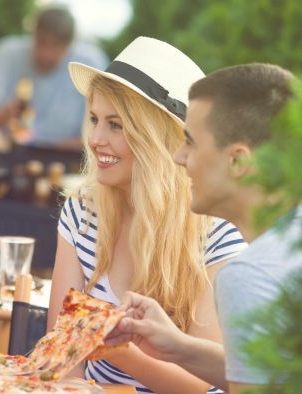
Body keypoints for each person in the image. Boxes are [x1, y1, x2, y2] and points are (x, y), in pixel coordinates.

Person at [50, 37, 247, 393]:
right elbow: (62, 364)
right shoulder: (81, 213)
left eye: (116, 125)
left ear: (153, 138)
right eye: (94, 119)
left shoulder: (216, 235)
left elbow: (207, 386)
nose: (94, 139)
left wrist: (117, 349)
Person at [104, 63, 302, 393]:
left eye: (190, 142)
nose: (178, 157)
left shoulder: (249, 273)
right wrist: (177, 346)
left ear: (238, 161)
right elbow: (275, 379)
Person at [0, 7, 108, 149]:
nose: (45, 54)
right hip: (9, 151)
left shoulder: (90, 64)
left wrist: (63, 148)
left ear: (70, 45)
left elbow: (103, 128)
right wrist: (3, 115)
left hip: (68, 158)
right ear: (32, 34)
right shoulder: (6, 53)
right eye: (41, 42)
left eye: (55, 46)